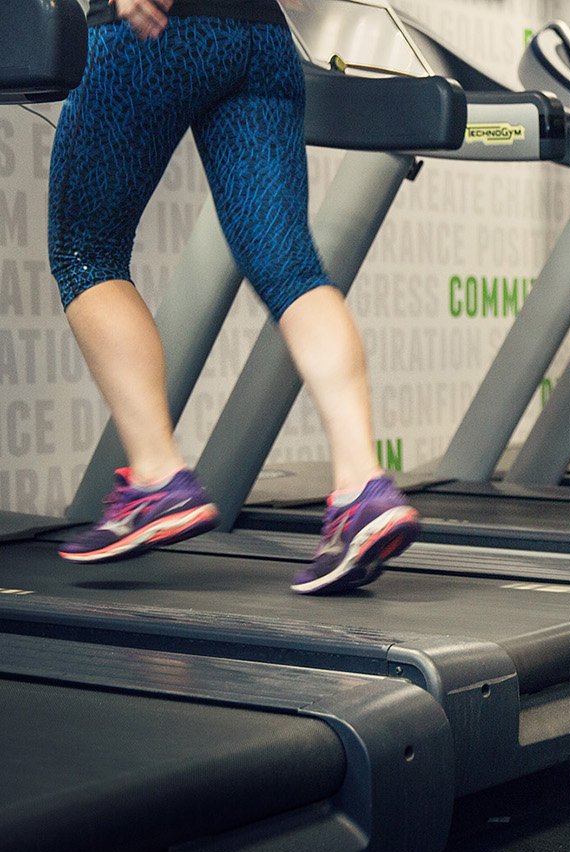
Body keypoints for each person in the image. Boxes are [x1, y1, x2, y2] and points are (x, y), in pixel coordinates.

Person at [48, 0, 419, 594]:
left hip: (157, 30)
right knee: (291, 266)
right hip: (262, 39)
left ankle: (154, 477)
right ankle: (362, 488)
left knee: (86, 251)